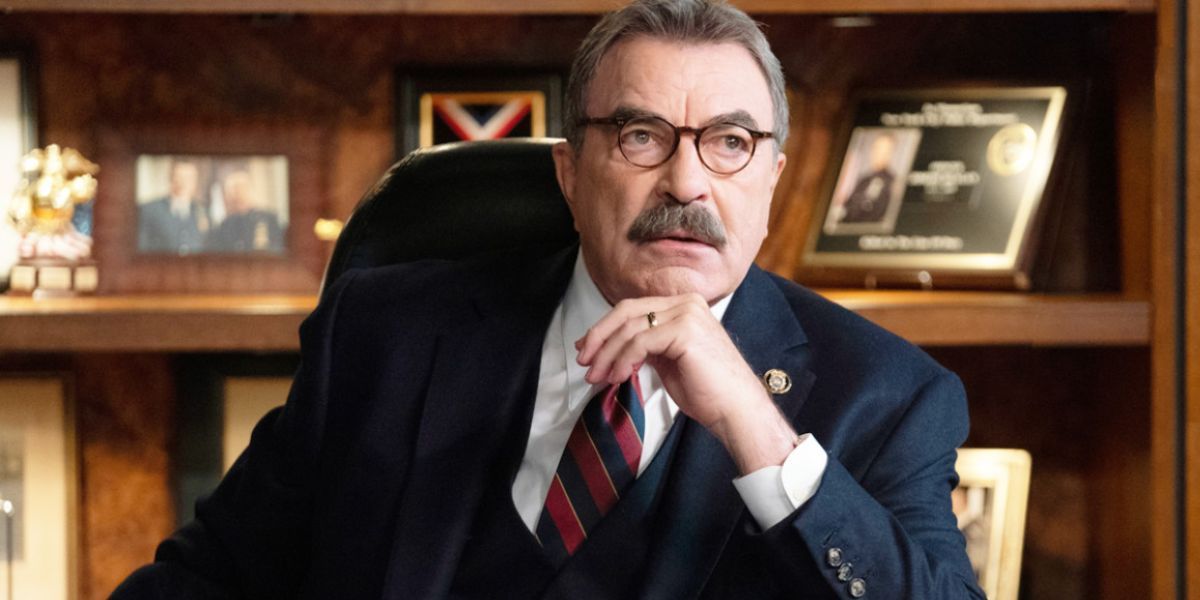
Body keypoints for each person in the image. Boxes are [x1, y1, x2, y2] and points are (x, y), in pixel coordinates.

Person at [115, 1, 983, 598]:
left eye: (728, 142)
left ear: (771, 181)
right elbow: (205, 581)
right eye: (641, 136)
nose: (686, 179)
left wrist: (758, 432)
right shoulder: (384, 335)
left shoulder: (887, 396)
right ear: (569, 172)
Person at [137, 160, 208, 254]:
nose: (183, 183)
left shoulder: (203, 212)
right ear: (171, 179)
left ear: (195, 183)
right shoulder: (149, 210)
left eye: (189, 179)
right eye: (179, 177)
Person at [205, 170, 284, 253]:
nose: (237, 196)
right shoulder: (225, 225)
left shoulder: (269, 218)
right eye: (232, 192)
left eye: (240, 190)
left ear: (249, 191)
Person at [839, 131, 898, 224]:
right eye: (877, 149)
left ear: (890, 154)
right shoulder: (864, 179)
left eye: (885, 151)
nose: (879, 154)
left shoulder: (892, 182)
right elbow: (848, 206)